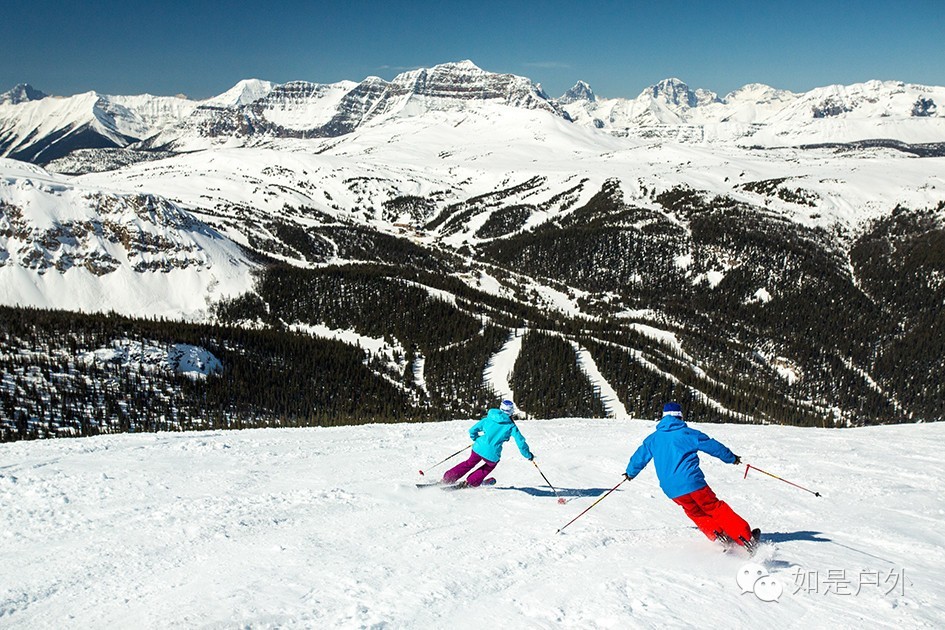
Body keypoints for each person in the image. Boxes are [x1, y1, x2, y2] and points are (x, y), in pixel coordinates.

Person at [624, 402, 759, 550]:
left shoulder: (653, 438)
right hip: (692, 482)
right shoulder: (688, 433)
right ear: (679, 416)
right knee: (714, 507)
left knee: (695, 512)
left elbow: (639, 457)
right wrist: (731, 458)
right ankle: (746, 538)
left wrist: (630, 473)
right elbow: (713, 446)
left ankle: (719, 537)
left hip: (671, 489)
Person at [442, 399, 533, 487]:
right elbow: (520, 442)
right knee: (490, 466)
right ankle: (471, 481)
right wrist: (528, 455)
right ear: (511, 412)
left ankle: (448, 478)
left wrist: (477, 439)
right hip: (492, 454)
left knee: (469, 463)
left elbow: (472, 430)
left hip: (478, 448)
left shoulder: (488, 418)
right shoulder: (511, 426)